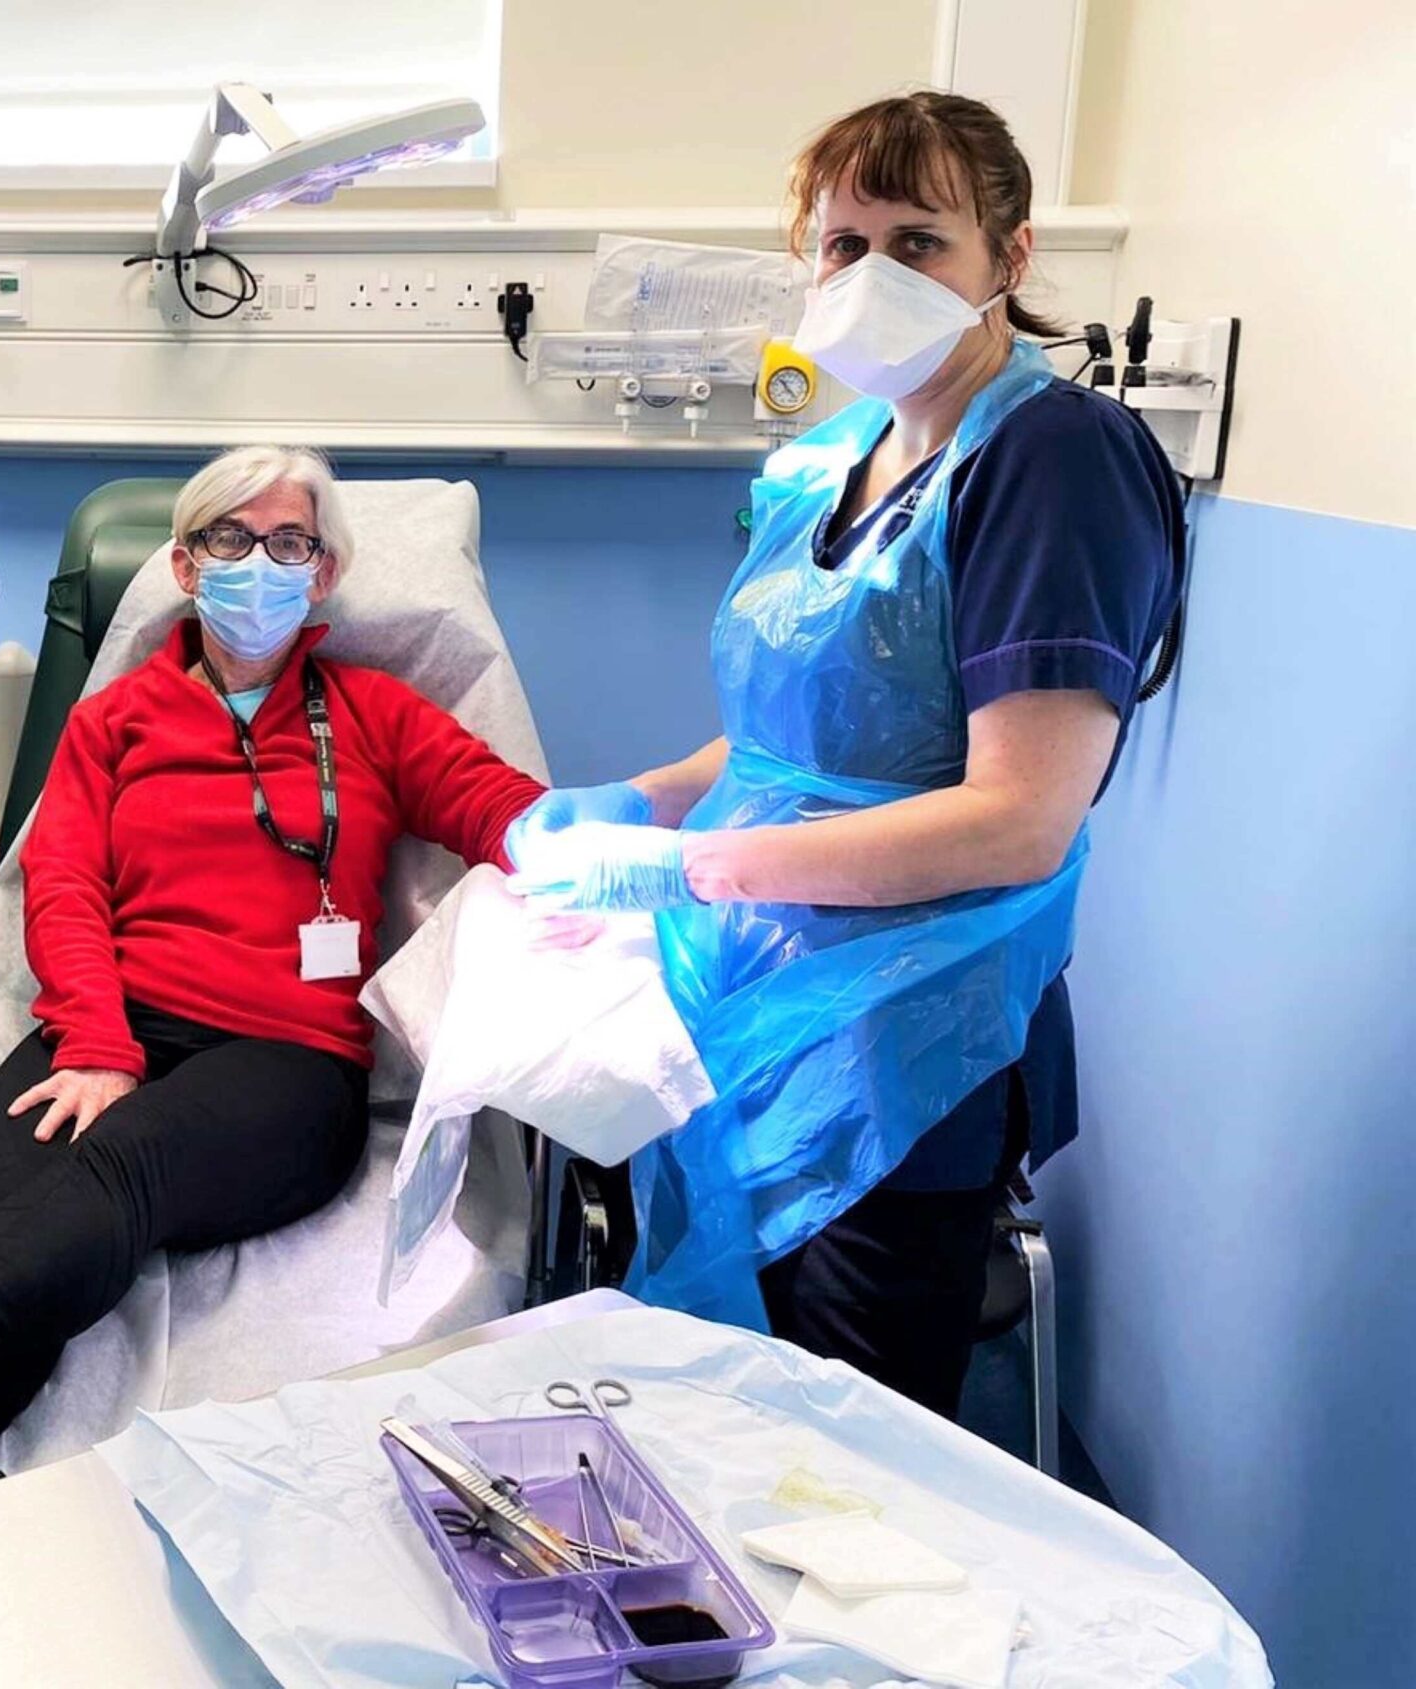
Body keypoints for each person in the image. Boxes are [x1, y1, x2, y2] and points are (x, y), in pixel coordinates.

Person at [0, 446, 553, 1538]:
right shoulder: (115, 721)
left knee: (115, 1172)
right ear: (184, 565)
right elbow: (67, 892)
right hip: (107, 1028)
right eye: (230, 540)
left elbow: (509, 815)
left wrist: (672, 822)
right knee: (33, 1209)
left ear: (324, 574)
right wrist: (95, 1040)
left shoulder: (374, 716)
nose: (259, 564)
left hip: (284, 1065)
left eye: (289, 543)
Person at [506, 93, 1182, 1417]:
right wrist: (638, 799)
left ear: (1012, 256)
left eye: (919, 242)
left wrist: (686, 872)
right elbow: (790, 741)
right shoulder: (831, 461)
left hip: (911, 1044)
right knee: (718, 1405)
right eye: (841, 244)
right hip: (757, 1000)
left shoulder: (1052, 459)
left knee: (843, 1460)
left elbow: (1016, 821)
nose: (871, 277)